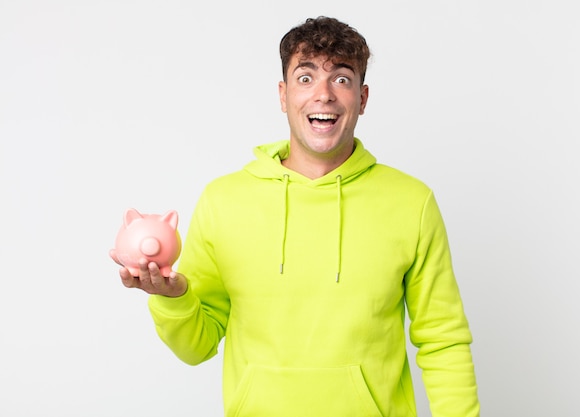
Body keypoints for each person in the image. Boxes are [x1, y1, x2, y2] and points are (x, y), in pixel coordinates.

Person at [115, 16, 480, 417]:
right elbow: (196, 347)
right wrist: (173, 299)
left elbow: (442, 340)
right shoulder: (224, 200)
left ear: (362, 98)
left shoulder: (412, 202)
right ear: (283, 95)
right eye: (305, 78)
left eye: (341, 78)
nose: (323, 94)